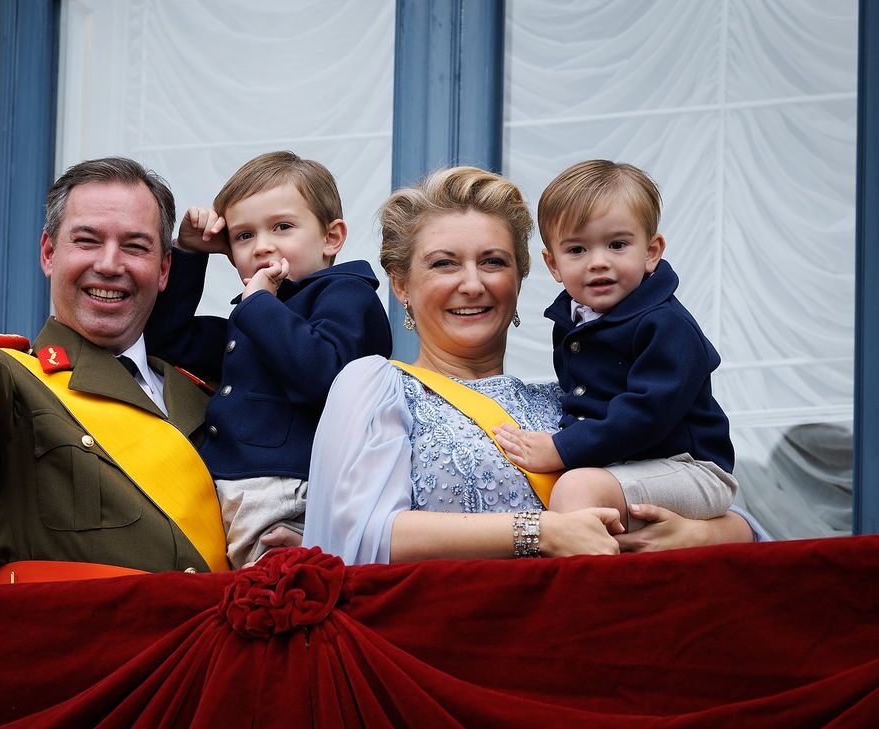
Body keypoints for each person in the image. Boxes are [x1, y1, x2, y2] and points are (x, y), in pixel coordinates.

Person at [303, 166, 761, 565]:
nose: (472, 283)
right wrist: (538, 532)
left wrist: (703, 535)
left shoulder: (575, 404)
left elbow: (711, 496)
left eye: (493, 262)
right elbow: (356, 538)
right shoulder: (375, 386)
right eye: (444, 264)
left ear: (521, 278)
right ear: (401, 285)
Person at [0, 86, 228, 583]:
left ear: (165, 268)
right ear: (48, 253)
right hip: (74, 658)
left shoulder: (205, 393)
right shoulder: (8, 384)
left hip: (209, 659)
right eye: (86, 241)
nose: (110, 265)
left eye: (135, 246)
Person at [146, 151, 392, 567]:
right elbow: (166, 340)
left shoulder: (348, 294)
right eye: (243, 236)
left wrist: (259, 302)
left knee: (272, 605)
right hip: (226, 490)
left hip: (286, 490)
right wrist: (189, 253)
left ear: (332, 238)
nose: (262, 246)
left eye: (282, 227)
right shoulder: (255, 316)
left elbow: (324, 375)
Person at [495, 160, 736, 530]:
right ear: (553, 264)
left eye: (617, 244)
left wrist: (561, 448)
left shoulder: (665, 324)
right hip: (631, 465)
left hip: (691, 468)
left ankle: (585, 587)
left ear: (651, 251)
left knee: (576, 489)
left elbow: (646, 413)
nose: (599, 262)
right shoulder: (577, 321)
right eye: (577, 250)